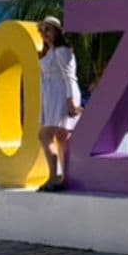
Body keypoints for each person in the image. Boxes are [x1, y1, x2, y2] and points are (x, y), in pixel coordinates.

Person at [37, 16, 81, 190]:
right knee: (61, 138)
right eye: (42, 30)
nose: (44, 33)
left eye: (48, 29)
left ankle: (53, 177)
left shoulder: (62, 50)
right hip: (50, 95)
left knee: (45, 135)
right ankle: (63, 177)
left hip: (61, 94)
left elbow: (69, 76)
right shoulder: (50, 52)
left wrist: (70, 100)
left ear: (57, 31)